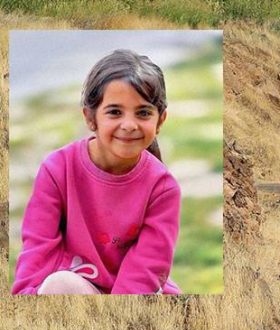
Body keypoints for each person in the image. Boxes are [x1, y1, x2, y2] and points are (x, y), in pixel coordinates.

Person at [13, 49, 181, 295]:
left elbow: (146, 269)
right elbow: (38, 250)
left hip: (134, 296)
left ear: (160, 120)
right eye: (114, 112)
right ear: (90, 118)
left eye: (143, 112)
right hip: (75, 291)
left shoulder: (163, 188)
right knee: (59, 285)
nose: (129, 124)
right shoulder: (57, 169)